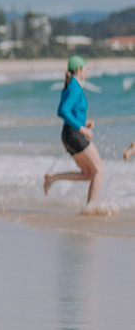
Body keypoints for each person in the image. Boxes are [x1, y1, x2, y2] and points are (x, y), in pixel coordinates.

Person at [44, 55, 109, 214]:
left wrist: (83, 123)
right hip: (74, 134)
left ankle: (52, 178)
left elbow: (71, 112)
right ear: (79, 70)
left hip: (69, 134)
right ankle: (90, 207)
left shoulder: (70, 85)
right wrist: (82, 129)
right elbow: (62, 110)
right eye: (86, 69)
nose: (87, 72)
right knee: (98, 170)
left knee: (88, 174)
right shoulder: (74, 85)